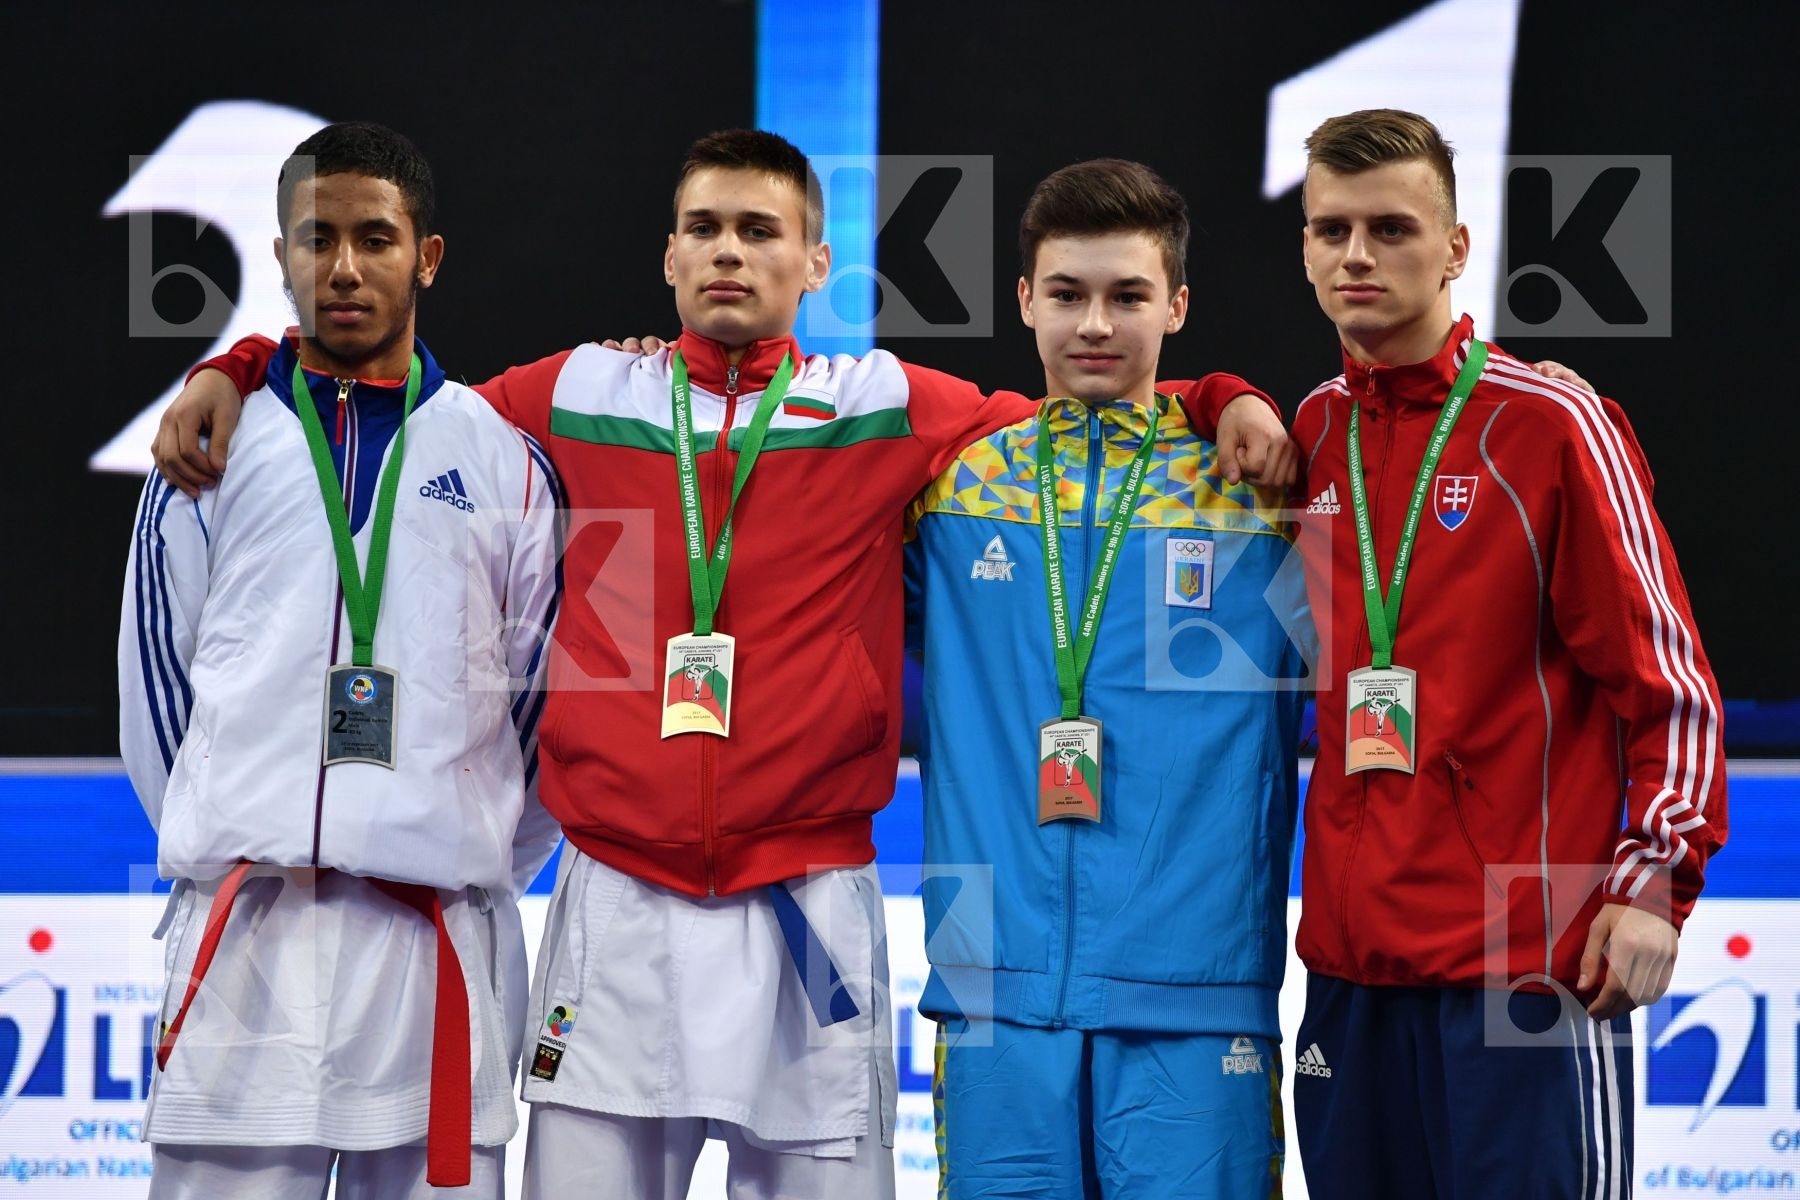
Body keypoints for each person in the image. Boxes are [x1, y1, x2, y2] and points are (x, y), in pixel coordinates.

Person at [149, 129, 1291, 1199]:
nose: (729, 252)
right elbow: (395, 402)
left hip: (807, 907)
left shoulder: (884, 405)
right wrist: (238, 367)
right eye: (705, 228)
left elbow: (1086, 410)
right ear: (670, 256)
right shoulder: (582, 392)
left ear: (816, 263)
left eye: (759, 230)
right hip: (618, 899)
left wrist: (1219, 393)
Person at [1284, 109, 1726, 1197]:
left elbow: (1669, 686)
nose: (1356, 256)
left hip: (1524, 964)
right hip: (1349, 969)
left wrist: (1654, 885)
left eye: (1391, 229)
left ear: (1456, 248)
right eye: (1331, 229)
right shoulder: (1310, 433)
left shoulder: (1550, 420)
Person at [118, 121, 563, 1199]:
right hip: (248, 935)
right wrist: (235, 822)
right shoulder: (207, 454)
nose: (346, 267)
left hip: (434, 939)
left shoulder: (506, 462)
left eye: (376, 238)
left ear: (428, 256)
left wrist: (456, 846)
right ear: (281, 255)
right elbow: (158, 688)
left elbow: (539, 706)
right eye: (318, 240)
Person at [905, 159, 1307, 1198]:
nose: (1095, 324)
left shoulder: (1258, 491)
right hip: (990, 983)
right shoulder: (949, 486)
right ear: (1024, 299)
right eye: (1067, 294)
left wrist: (1226, 396)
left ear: (1177, 306)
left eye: (1128, 296)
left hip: (1200, 989)